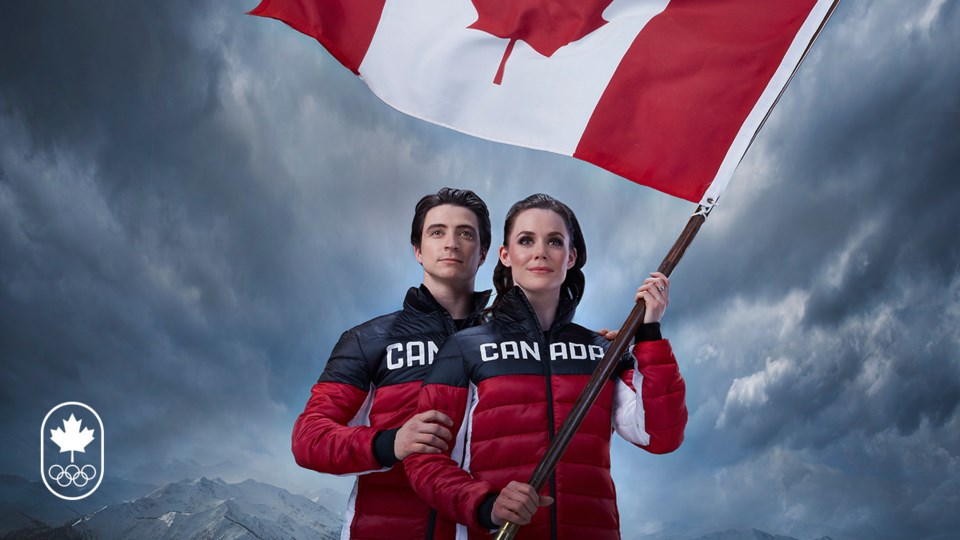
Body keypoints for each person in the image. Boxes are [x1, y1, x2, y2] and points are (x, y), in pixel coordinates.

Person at [404, 193, 688, 539]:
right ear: (506, 255)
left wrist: (649, 335)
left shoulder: (602, 352)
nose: (540, 252)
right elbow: (423, 460)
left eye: (554, 241)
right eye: (526, 240)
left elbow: (661, 436)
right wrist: (485, 505)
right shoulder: (465, 349)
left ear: (571, 257)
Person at [291, 187, 493, 539]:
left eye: (465, 233)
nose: (451, 243)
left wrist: (605, 347)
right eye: (437, 232)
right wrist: (390, 443)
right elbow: (309, 438)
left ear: (484, 253)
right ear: (417, 250)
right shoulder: (367, 339)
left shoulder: (511, 345)